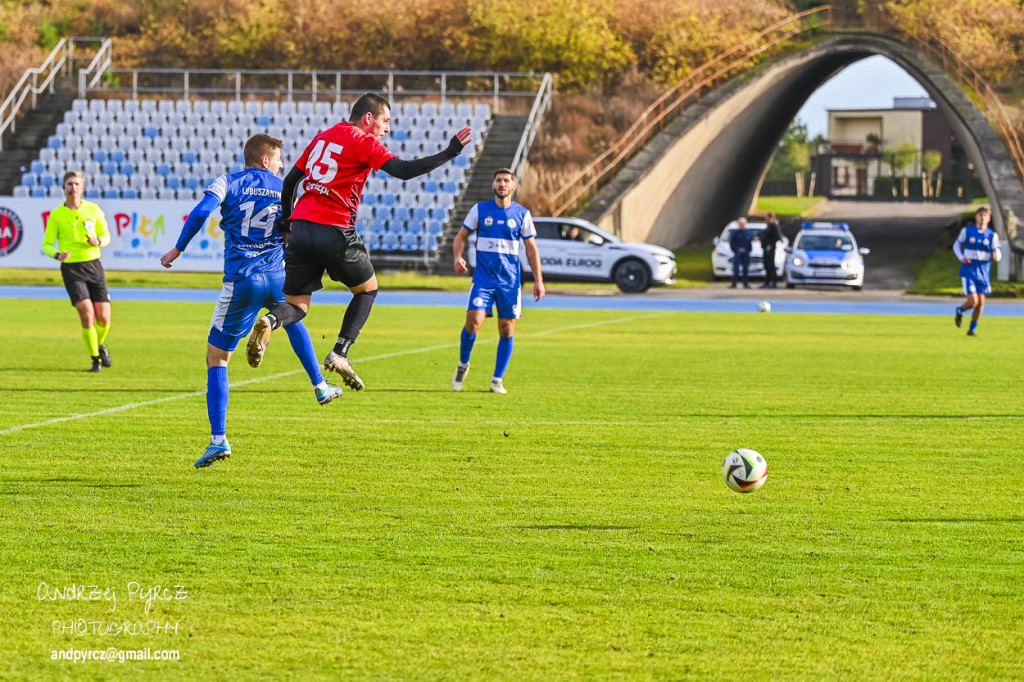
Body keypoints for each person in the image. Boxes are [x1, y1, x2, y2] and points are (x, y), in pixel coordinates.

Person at [246, 93, 472, 391]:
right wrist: (449, 152)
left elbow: (290, 182)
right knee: (368, 290)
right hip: (335, 227)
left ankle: (271, 321)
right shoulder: (362, 140)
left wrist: (287, 222)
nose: (386, 129)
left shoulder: (322, 137)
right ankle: (340, 352)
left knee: (297, 306)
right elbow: (402, 171)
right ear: (369, 118)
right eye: (385, 121)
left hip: (301, 228)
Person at [161, 133, 343, 469]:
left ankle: (218, 440)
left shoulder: (227, 182)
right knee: (294, 316)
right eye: (277, 160)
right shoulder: (284, 188)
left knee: (217, 358)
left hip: (242, 281)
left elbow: (201, 212)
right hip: (277, 275)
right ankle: (319, 385)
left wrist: (178, 248)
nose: (281, 166)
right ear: (264, 160)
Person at [450, 168, 545, 394]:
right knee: (473, 321)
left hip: (510, 283)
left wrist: (539, 281)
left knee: (506, 329)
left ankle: (497, 380)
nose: (502, 184)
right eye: (498, 181)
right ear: (493, 185)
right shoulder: (480, 210)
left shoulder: (522, 214)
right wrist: (457, 257)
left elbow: (532, 250)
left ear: (513, 186)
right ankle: (463, 364)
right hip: (483, 280)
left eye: (506, 181)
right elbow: (460, 237)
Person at [41, 171, 113, 372]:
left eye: (76, 184)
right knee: (87, 314)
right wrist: (56, 255)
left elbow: (106, 235)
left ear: (82, 188)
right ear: (64, 188)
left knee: (104, 318)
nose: (73, 187)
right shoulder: (56, 215)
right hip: (72, 268)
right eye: (69, 184)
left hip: (93, 265)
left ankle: (99, 345)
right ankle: (95, 359)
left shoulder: (94, 210)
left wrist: (98, 241)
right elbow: (46, 244)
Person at [953, 206, 1001, 337]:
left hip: (984, 271)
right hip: (969, 269)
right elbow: (956, 245)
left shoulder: (992, 235)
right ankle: (960, 310)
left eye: (985, 215)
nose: (982, 217)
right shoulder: (967, 231)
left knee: (981, 302)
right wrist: (962, 257)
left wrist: (997, 255)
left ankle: (971, 330)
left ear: (989, 218)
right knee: (974, 301)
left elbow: (997, 251)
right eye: (980, 215)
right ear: (976, 217)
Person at [729, 217, 753, 289]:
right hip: (738, 252)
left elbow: (750, 243)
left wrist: (748, 250)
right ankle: (734, 283)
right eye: (741, 224)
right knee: (736, 268)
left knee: (745, 269)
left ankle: (745, 283)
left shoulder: (748, 233)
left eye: (744, 224)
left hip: (745, 252)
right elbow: (732, 243)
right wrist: (735, 250)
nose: (743, 225)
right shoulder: (735, 233)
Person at [760, 212, 782, 288]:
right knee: (766, 266)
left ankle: (773, 283)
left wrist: (771, 245)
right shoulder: (768, 226)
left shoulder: (774, 226)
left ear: (770, 218)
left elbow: (777, 237)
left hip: (770, 250)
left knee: (771, 266)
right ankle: (767, 282)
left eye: (766, 217)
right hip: (765, 249)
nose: (765, 219)